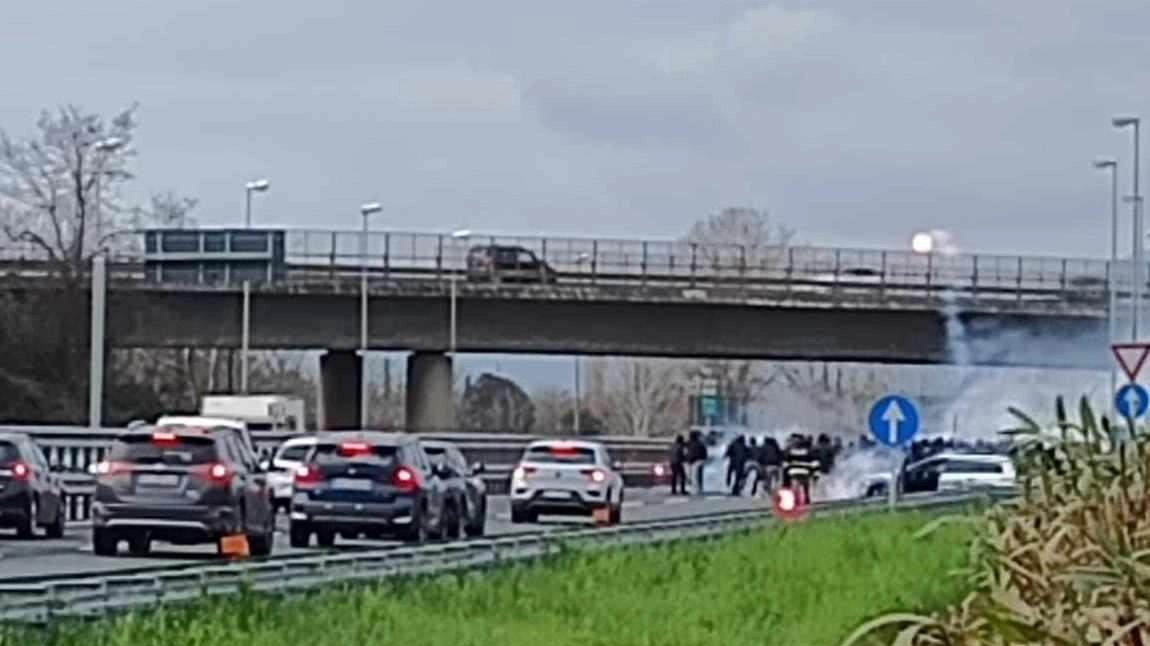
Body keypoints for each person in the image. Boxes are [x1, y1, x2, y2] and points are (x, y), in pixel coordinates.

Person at [782, 434, 820, 502]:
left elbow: (786, 464)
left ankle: (797, 499)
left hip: (794, 472)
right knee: (805, 484)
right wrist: (815, 474)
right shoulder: (808, 451)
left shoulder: (790, 451)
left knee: (796, 484)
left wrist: (785, 477)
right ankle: (806, 497)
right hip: (805, 471)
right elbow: (814, 463)